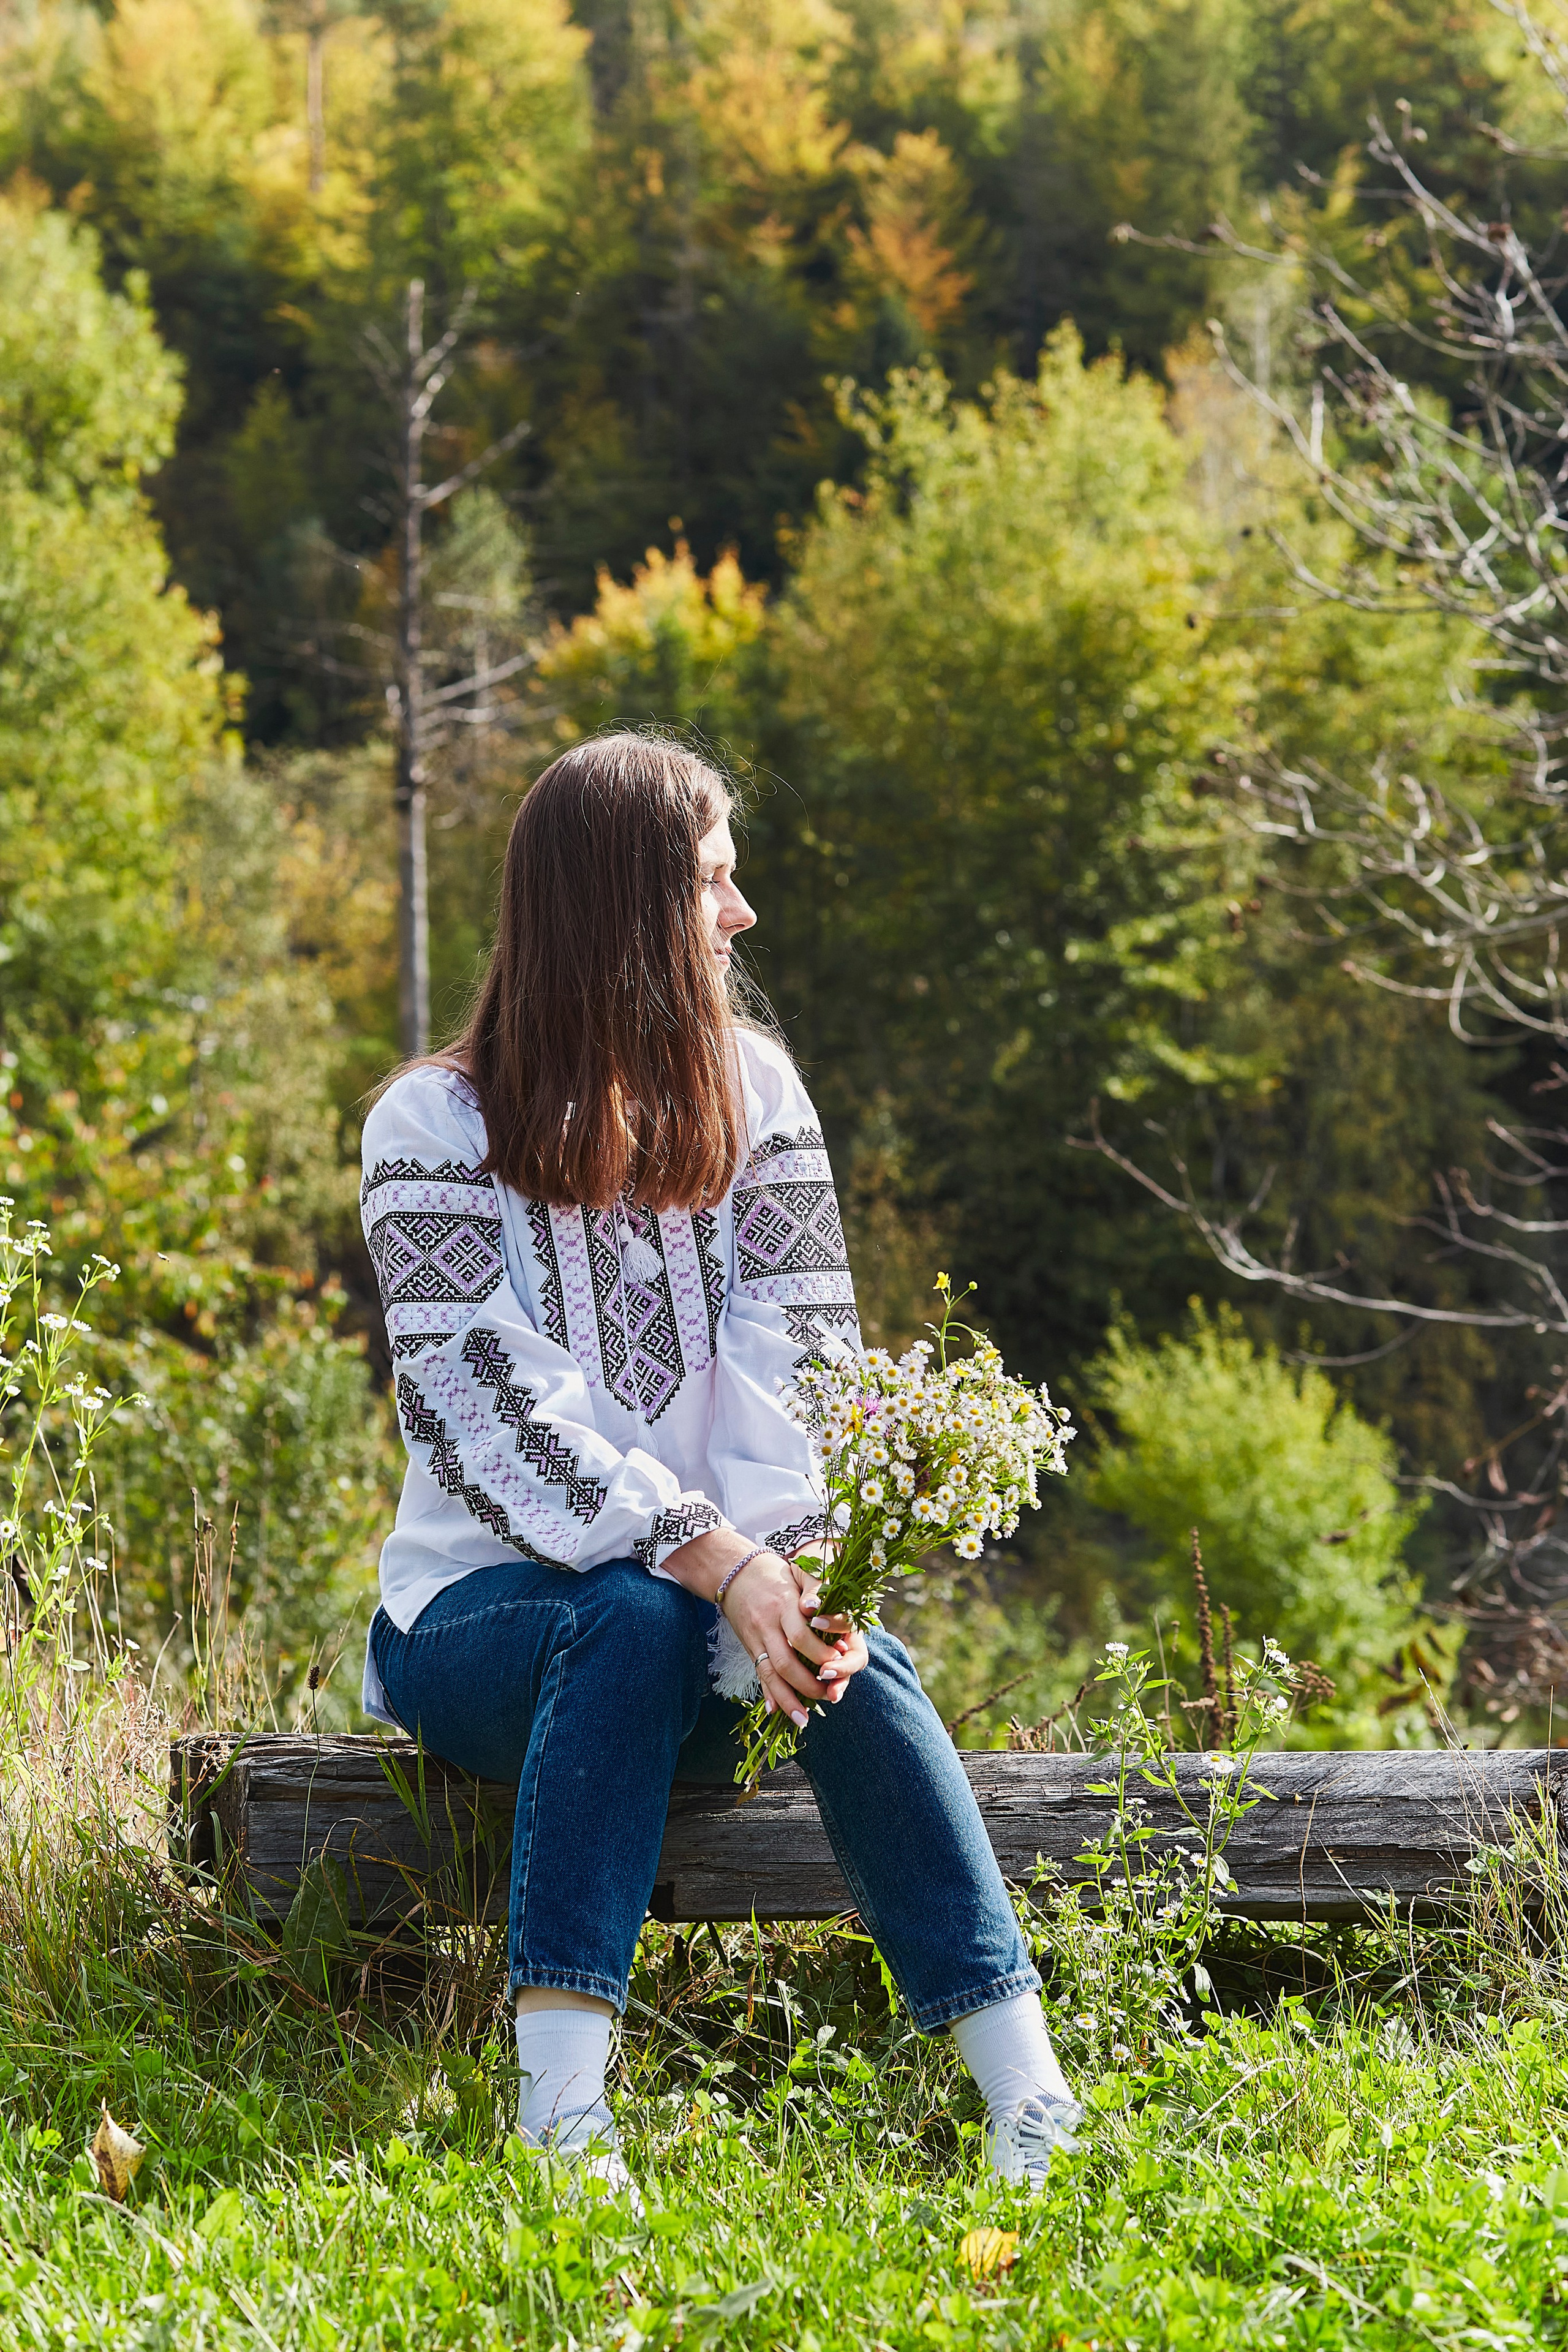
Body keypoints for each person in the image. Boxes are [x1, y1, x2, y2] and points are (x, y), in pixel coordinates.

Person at [359, 733, 1078, 2201]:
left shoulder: (757, 1096)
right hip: (480, 1638)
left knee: (839, 1648)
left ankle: (1033, 2101)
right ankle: (561, 2123)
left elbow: (801, 1369)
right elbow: (485, 1402)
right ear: (624, 908)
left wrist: (787, 1578)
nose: (740, 917)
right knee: (624, 1613)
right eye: (710, 882)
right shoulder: (431, 1126)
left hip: (706, 1639)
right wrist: (713, 1558)